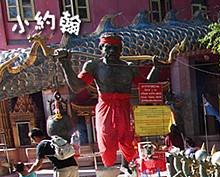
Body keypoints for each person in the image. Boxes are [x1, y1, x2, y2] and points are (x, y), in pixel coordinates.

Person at [55, 33, 164, 169]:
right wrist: (65, 64)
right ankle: (109, 171)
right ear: (101, 48)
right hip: (105, 106)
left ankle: (130, 167)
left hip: (125, 108)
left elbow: (146, 86)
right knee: (106, 139)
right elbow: (77, 86)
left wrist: (156, 68)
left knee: (129, 140)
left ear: (121, 50)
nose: (112, 51)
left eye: (115, 48)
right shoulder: (93, 66)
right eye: (108, 48)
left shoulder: (129, 67)